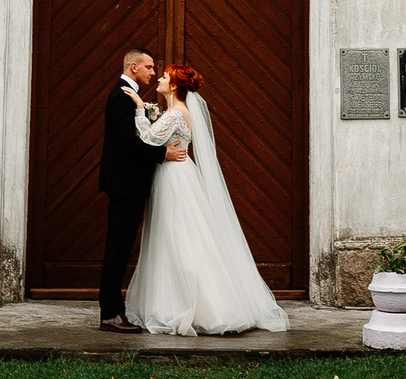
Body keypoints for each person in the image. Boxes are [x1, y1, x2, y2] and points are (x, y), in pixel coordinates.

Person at [123, 64, 291, 335]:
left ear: (174, 85)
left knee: (177, 236)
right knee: (180, 235)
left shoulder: (176, 113)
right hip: (178, 174)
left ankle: (190, 305)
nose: (160, 80)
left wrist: (140, 109)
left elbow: (148, 139)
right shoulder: (176, 111)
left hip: (174, 177)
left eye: (164, 77)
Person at [97, 49, 184, 332]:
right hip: (125, 183)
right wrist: (162, 154)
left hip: (129, 183)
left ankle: (114, 311)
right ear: (133, 67)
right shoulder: (121, 96)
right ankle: (110, 314)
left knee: (120, 247)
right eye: (149, 67)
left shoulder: (129, 96)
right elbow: (127, 142)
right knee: (118, 248)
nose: (152, 72)